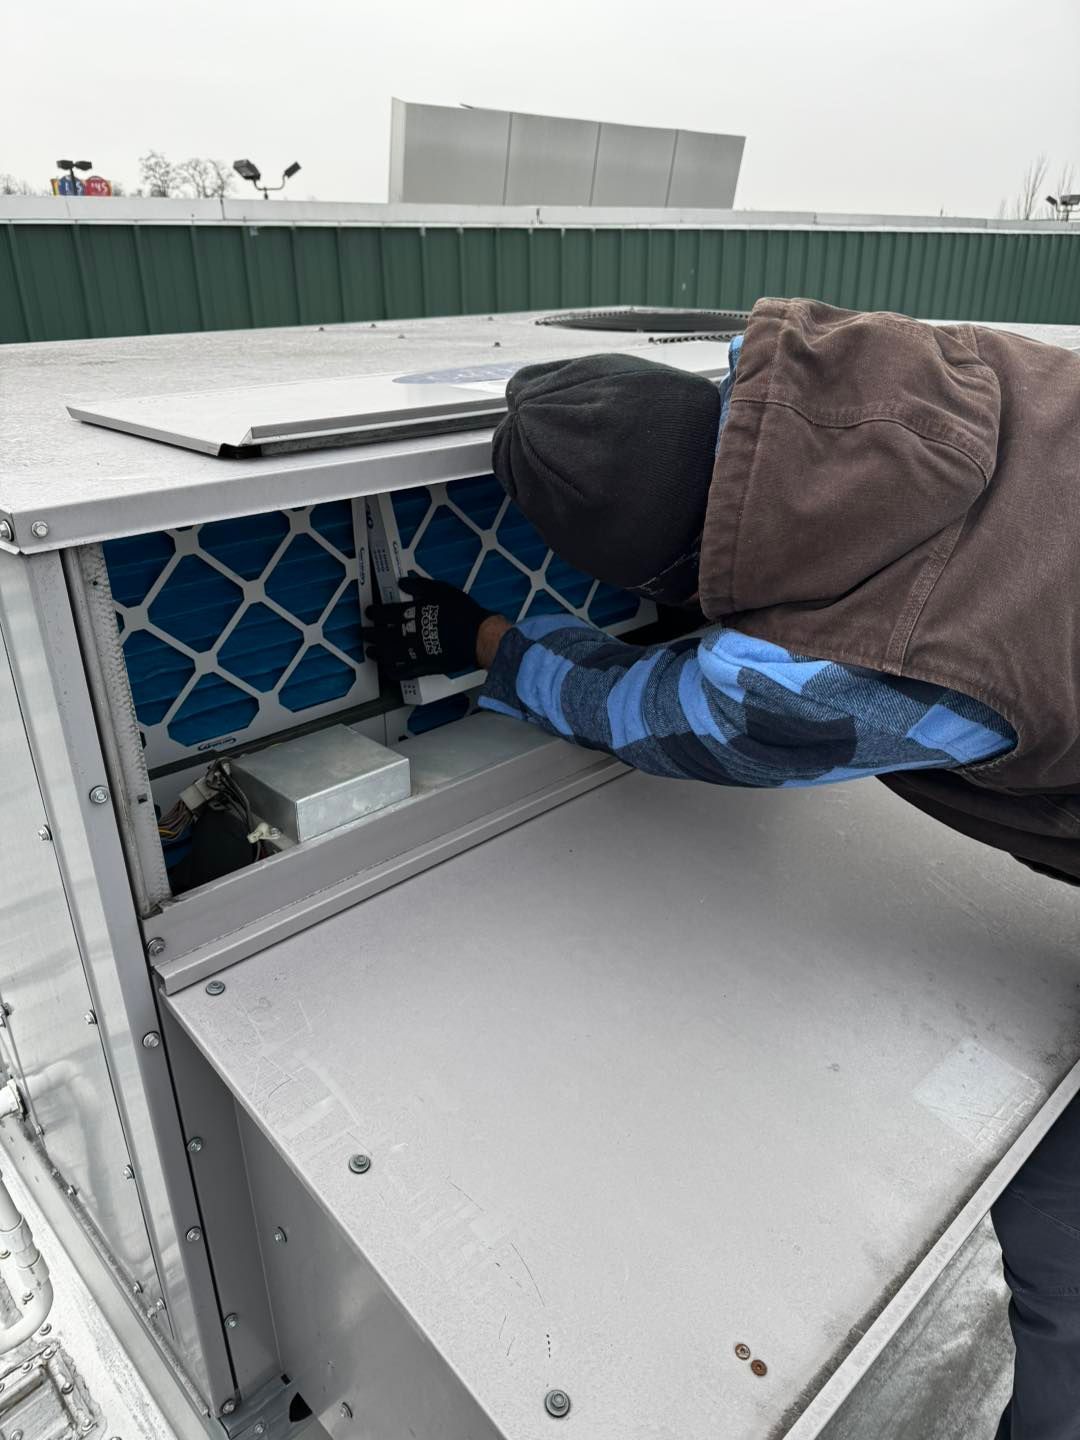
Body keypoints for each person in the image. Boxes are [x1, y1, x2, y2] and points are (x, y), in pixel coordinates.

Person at [364, 298, 1080, 1439]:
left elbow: (654, 712)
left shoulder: (849, 670)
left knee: (1064, 1218)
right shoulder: (904, 367)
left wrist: (490, 648)